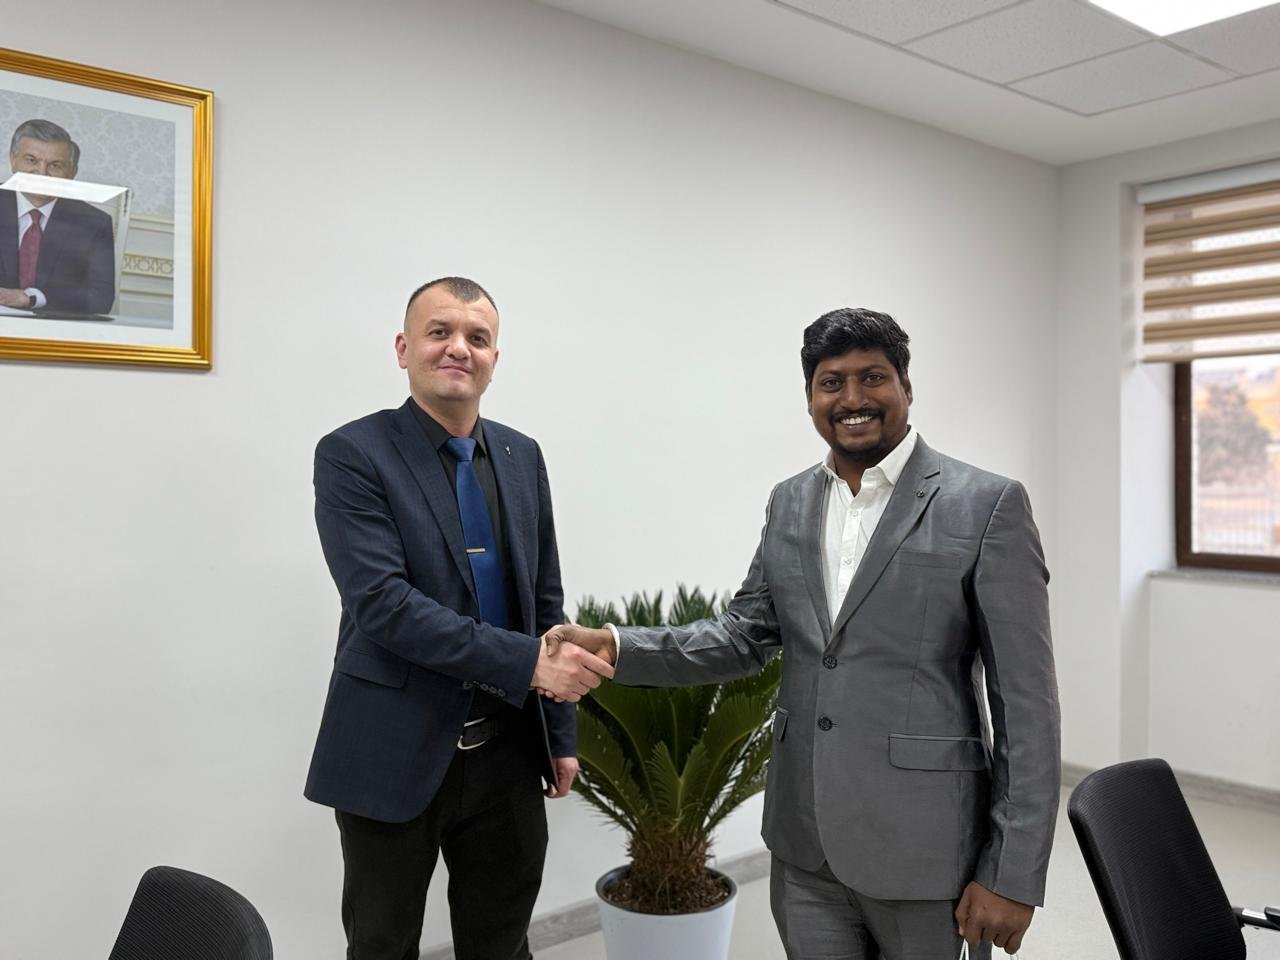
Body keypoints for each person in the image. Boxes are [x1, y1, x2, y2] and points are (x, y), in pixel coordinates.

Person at [546, 308, 1061, 960]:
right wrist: (619, 646)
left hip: (927, 852)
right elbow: (743, 635)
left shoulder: (985, 505)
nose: (852, 398)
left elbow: (1027, 706)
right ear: (811, 397)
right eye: (831, 382)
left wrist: (1012, 873)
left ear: (906, 386)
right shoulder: (790, 501)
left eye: (872, 377)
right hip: (804, 846)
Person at [305, 276, 614, 960]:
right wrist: (530, 665)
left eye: (477, 337)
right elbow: (383, 606)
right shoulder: (353, 454)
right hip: (393, 748)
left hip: (508, 749)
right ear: (403, 348)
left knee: (501, 943)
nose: (458, 349)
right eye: (439, 332)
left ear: (494, 358)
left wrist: (559, 733)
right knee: (382, 946)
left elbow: (544, 602)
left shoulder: (522, 455)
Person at [0, 119, 115, 315]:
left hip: (57, 329)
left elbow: (100, 298)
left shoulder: (94, 223)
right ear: (13, 159)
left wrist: (32, 298)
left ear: (72, 172)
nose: (41, 173)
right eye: (31, 160)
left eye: (55, 165)